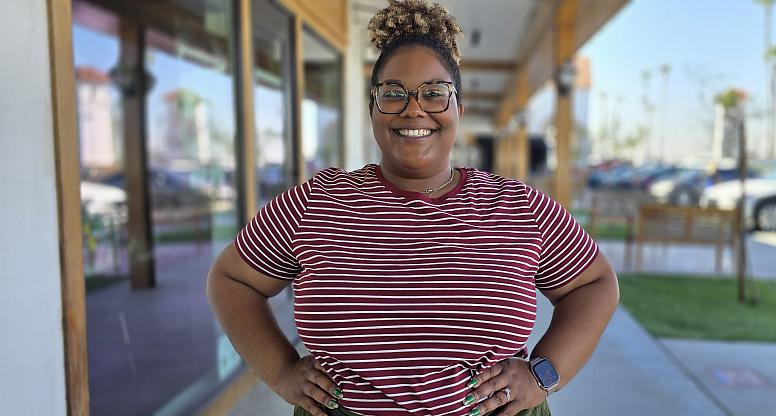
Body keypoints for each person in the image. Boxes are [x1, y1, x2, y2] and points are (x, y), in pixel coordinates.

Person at [207, 1, 619, 415]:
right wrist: (280, 372)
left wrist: (544, 374)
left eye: (434, 93)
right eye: (393, 93)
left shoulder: (518, 206)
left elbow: (595, 285)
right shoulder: (317, 203)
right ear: (372, 109)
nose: (413, 108)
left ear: (459, 109)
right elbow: (231, 280)